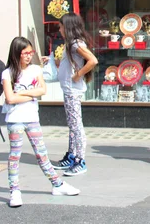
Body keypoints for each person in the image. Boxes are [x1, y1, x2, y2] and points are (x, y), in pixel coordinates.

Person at [2, 37, 80, 207]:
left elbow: (42, 90)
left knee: (42, 154)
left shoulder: (36, 70)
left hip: (32, 118)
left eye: (31, 52)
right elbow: (9, 98)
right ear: (17, 54)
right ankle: (14, 190)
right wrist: (31, 93)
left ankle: (57, 184)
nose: (29, 56)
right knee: (15, 155)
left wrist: (21, 94)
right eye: (25, 53)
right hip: (15, 120)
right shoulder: (7, 73)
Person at [51, 13, 98, 176]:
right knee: (72, 125)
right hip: (69, 89)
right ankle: (71, 156)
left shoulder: (75, 44)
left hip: (72, 90)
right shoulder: (72, 44)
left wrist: (79, 75)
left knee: (76, 125)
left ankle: (80, 160)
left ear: (68, 27)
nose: (60, 29)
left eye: (61, 26)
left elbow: (92, 60)